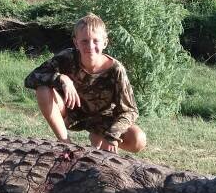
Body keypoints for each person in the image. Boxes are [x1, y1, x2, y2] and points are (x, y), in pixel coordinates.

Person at [24, 13, 147, 153]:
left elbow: (130, 111)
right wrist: (61, 79)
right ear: (76, 43)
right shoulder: (67, 57)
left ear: (105, 42)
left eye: (96, 40)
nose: (90, 46)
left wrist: (112, 135)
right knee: (43, 89)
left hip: (104, 120)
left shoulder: (116, 69)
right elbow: (31, 78)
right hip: (72, 114)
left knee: (138, 140)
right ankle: (65, 144)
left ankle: (97, 135)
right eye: (84, 41)